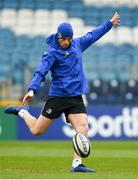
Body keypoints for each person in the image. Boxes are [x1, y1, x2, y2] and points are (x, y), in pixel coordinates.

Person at [5, 12, 120, 172]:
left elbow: (93, 35)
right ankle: (23, 112)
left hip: (75, 97)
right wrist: (32, 89)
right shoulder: (51, 54)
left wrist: (109, 23)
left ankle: (76, 164)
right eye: (63, 39)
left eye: (68, 39)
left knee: (83, 128)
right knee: (37, 130)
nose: (66, 42)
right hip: (58, 97)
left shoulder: (77, 44)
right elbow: (40, 72)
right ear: (58, 37)